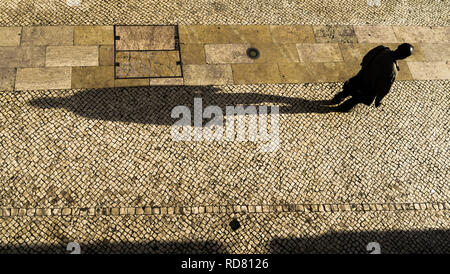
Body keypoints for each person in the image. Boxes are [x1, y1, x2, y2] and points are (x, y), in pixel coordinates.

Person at [328, 43, 414, 112]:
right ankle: (341, 108)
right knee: (356, 99)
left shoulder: (382, 49)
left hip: (361, 76)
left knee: (348, 89)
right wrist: (378, 100)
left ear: (398, 47)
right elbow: (385, 87)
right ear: (404, 57)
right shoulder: (393, 70)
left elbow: (367, 57)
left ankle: (337, 98)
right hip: (369, 88)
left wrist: (364, 68)